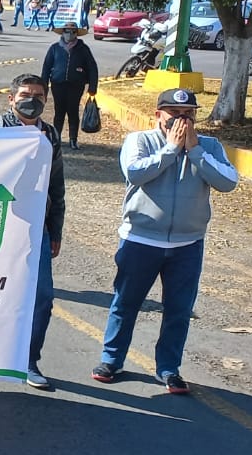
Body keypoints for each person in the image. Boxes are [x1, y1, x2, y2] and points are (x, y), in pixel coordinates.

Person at [92, 89, 238, 395]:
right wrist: (171, 150)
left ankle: (168, 368)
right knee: (126, 302)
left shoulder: (208, 145)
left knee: (179, 309)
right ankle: (111, 359)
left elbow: (228, 182)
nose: (182, 120)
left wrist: (196, 152)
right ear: (158, 115)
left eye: (188, 114)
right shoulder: (141, 141)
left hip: (188, 243)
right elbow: (134, 173)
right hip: (141, 239)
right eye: (173, 114)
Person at [0, 73, 65, 390]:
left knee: (42, 297)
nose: (33, 101)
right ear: (11, 98)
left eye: (40, 96)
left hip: (35, 230)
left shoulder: (50, 134)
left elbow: (57, 186)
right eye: (26, 94)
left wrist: (55, 228)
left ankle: (28, 361)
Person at [40, 22, 99, 150]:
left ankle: (73, 139)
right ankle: (56, 138)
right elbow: (46, 67)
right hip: (58, 84)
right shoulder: (54, 48)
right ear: (63, 32)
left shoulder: (83, 49)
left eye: (73, 32)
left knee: (73, 112)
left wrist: (92, 88)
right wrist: (43, 86)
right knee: (59, 112)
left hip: (76, 85)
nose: (70, 34)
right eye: (67, 31)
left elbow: (92, 68)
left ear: (77, 34)